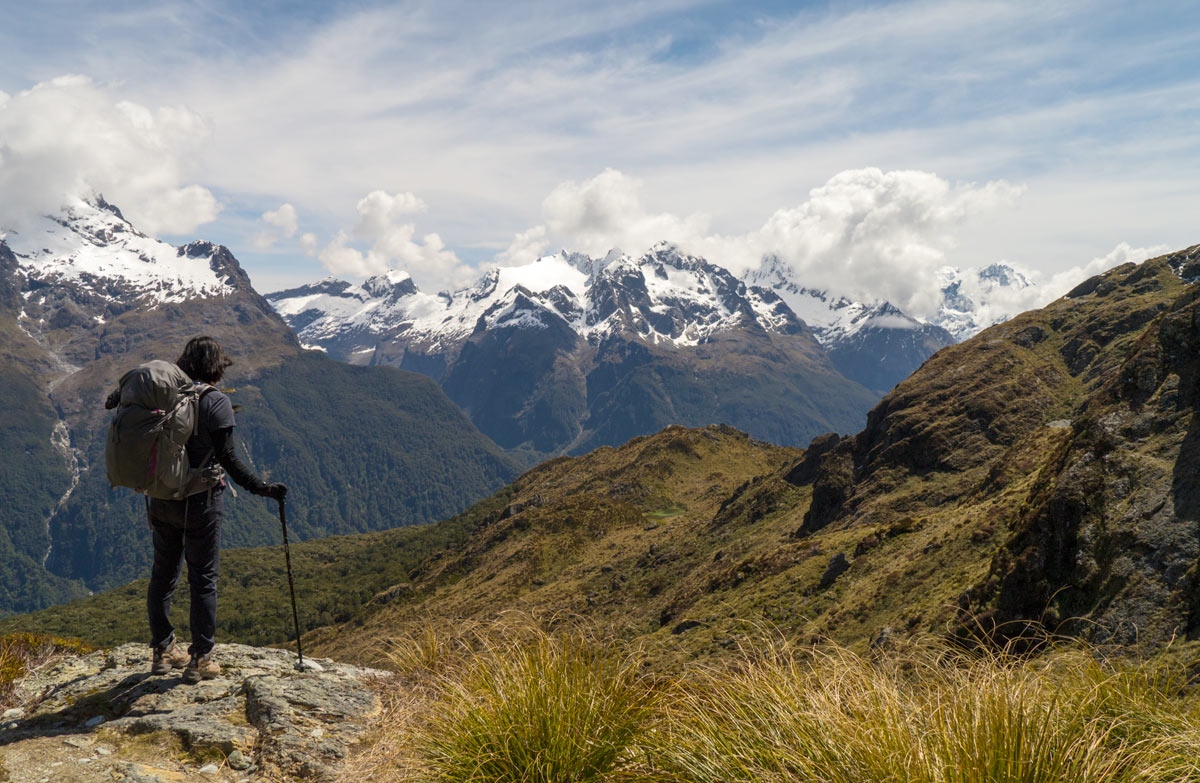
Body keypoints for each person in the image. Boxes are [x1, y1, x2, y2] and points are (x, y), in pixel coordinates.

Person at [144, 336, 287, 682]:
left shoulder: (165, 394)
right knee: (203, 578)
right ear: (217, 366)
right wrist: (262, 488)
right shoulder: (215, 401)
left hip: (161, 497)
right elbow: (229, 459)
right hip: (201, 501)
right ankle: (200, 659)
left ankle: (163, 650)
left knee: (163, 573)